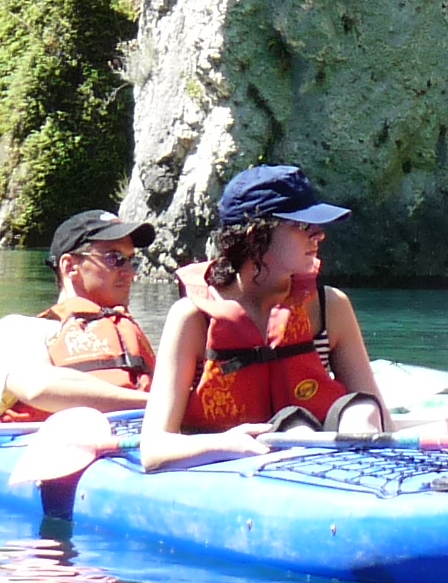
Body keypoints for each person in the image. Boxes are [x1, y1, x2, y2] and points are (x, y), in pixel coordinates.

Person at [139, 165, 389, 470]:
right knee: (295, 429)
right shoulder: (193, 318)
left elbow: (383, 419)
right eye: (302, 225)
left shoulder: (330, 306)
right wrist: (223, 444)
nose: (319, 235)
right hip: (239, 466)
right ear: (257, 236)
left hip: (328, 462)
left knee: (362, 409)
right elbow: (153, 450)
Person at [0, 209, 162, 422]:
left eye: (132, 261)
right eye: (115, 258)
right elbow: (38, 387)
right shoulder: (19, 329)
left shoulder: (131, 336)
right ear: (70, 267)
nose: (131, 272)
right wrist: (158, 403)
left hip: (141, 438)